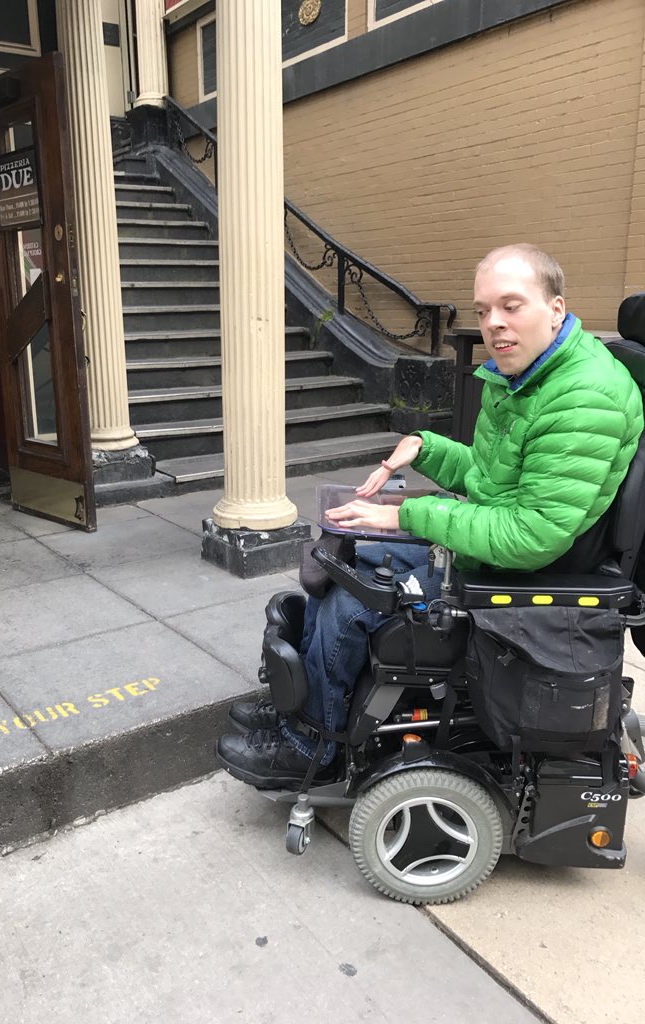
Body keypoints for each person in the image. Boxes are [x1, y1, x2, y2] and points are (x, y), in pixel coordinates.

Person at [216, 243, 645, 788]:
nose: (493, 323)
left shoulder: (583, 397)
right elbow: (491, 478)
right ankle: (301, 710)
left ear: (555, 308)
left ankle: (310, 746)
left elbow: (531, 534)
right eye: (484, 310)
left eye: (511, 306)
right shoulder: (531, 374)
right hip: (502, 546)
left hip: (524, 575)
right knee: (344, 557)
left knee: (351, 601)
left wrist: (406, 516)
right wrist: (425, 447)